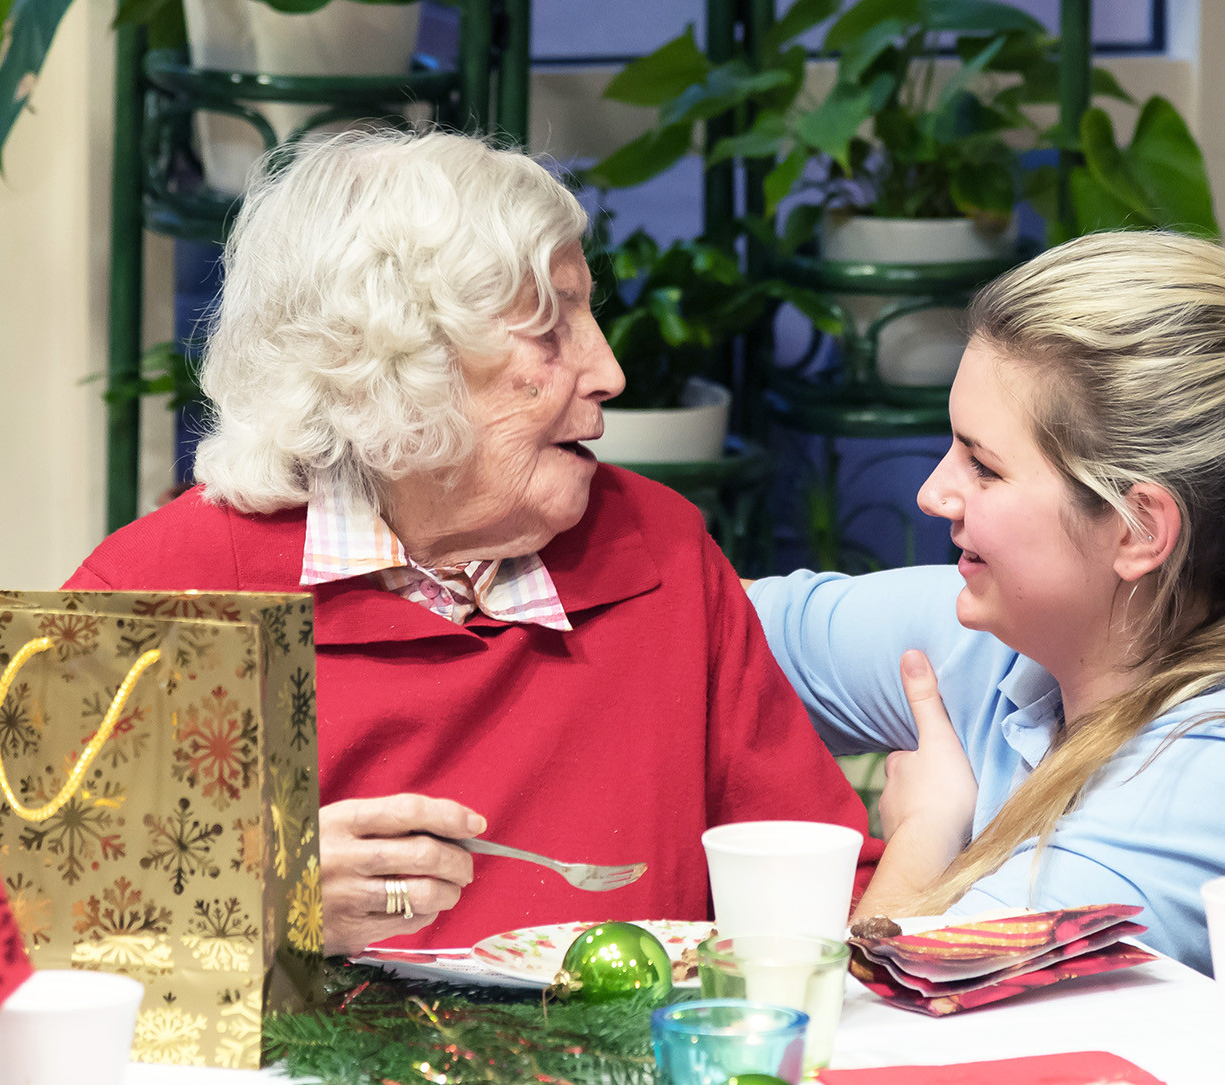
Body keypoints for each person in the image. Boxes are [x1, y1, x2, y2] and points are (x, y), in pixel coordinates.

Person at [65, 130, 878, 954]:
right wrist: (258, 901)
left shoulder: (659, 551)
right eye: (550, 327)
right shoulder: (167, 594)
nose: (608, 372)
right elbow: (5, 931)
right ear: (391, 358)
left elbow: (817, 891)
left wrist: (929, 840)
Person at [749, 232, 1225, 1085]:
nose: (935, 493)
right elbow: (711, 635)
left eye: (983, 466)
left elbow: (887, 1041)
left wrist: (923, 833)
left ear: (1139, 529)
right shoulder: (1015, 638)